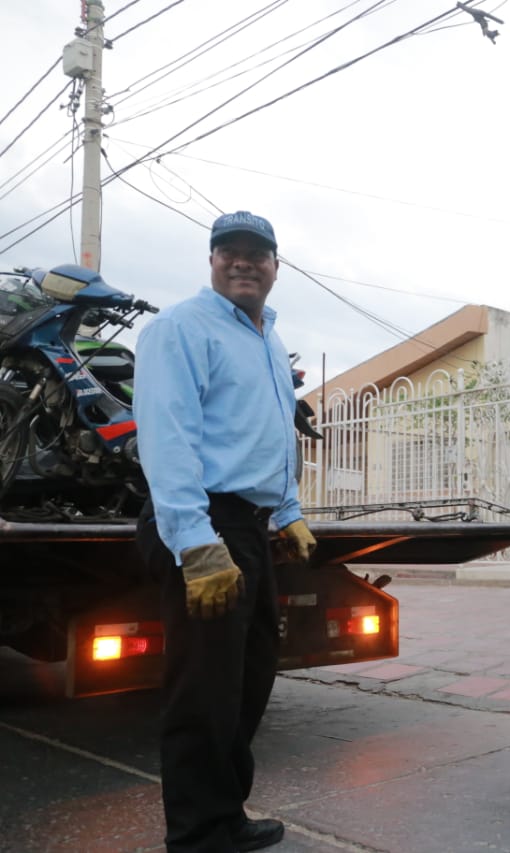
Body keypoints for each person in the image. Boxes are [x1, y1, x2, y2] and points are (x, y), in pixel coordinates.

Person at [134, 210, 316, 853]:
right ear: (211, 261)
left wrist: (288, 511)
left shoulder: (266, 336)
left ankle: (225, 816)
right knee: (203, 691)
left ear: (275, 265)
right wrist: (195, 542)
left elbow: (268, 432)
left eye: (256, 254)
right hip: (202, 523)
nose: (243, 263)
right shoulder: (181, 329)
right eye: (228, 252)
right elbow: (167, 437)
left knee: (249, 678)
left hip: (248, 526)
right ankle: (196, 835)